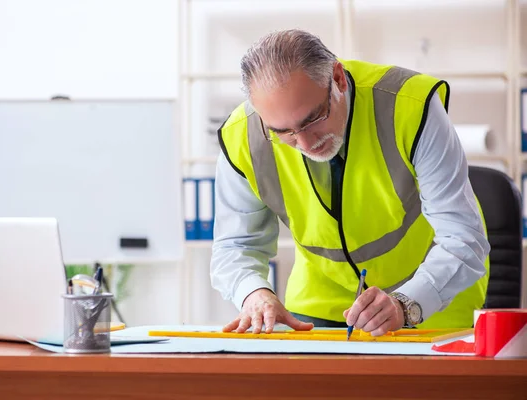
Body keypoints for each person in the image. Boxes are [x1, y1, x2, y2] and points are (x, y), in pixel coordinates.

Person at [209, 29, 490, 337]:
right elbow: (235, 245)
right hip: (320, 302)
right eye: (283, 132)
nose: (304, 142)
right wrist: (254, 293)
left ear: (338, 79)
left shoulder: (410, 106)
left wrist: (407, 303)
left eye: (313, 119)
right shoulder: (243, 136)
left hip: (432, 296)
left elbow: (463, 238)